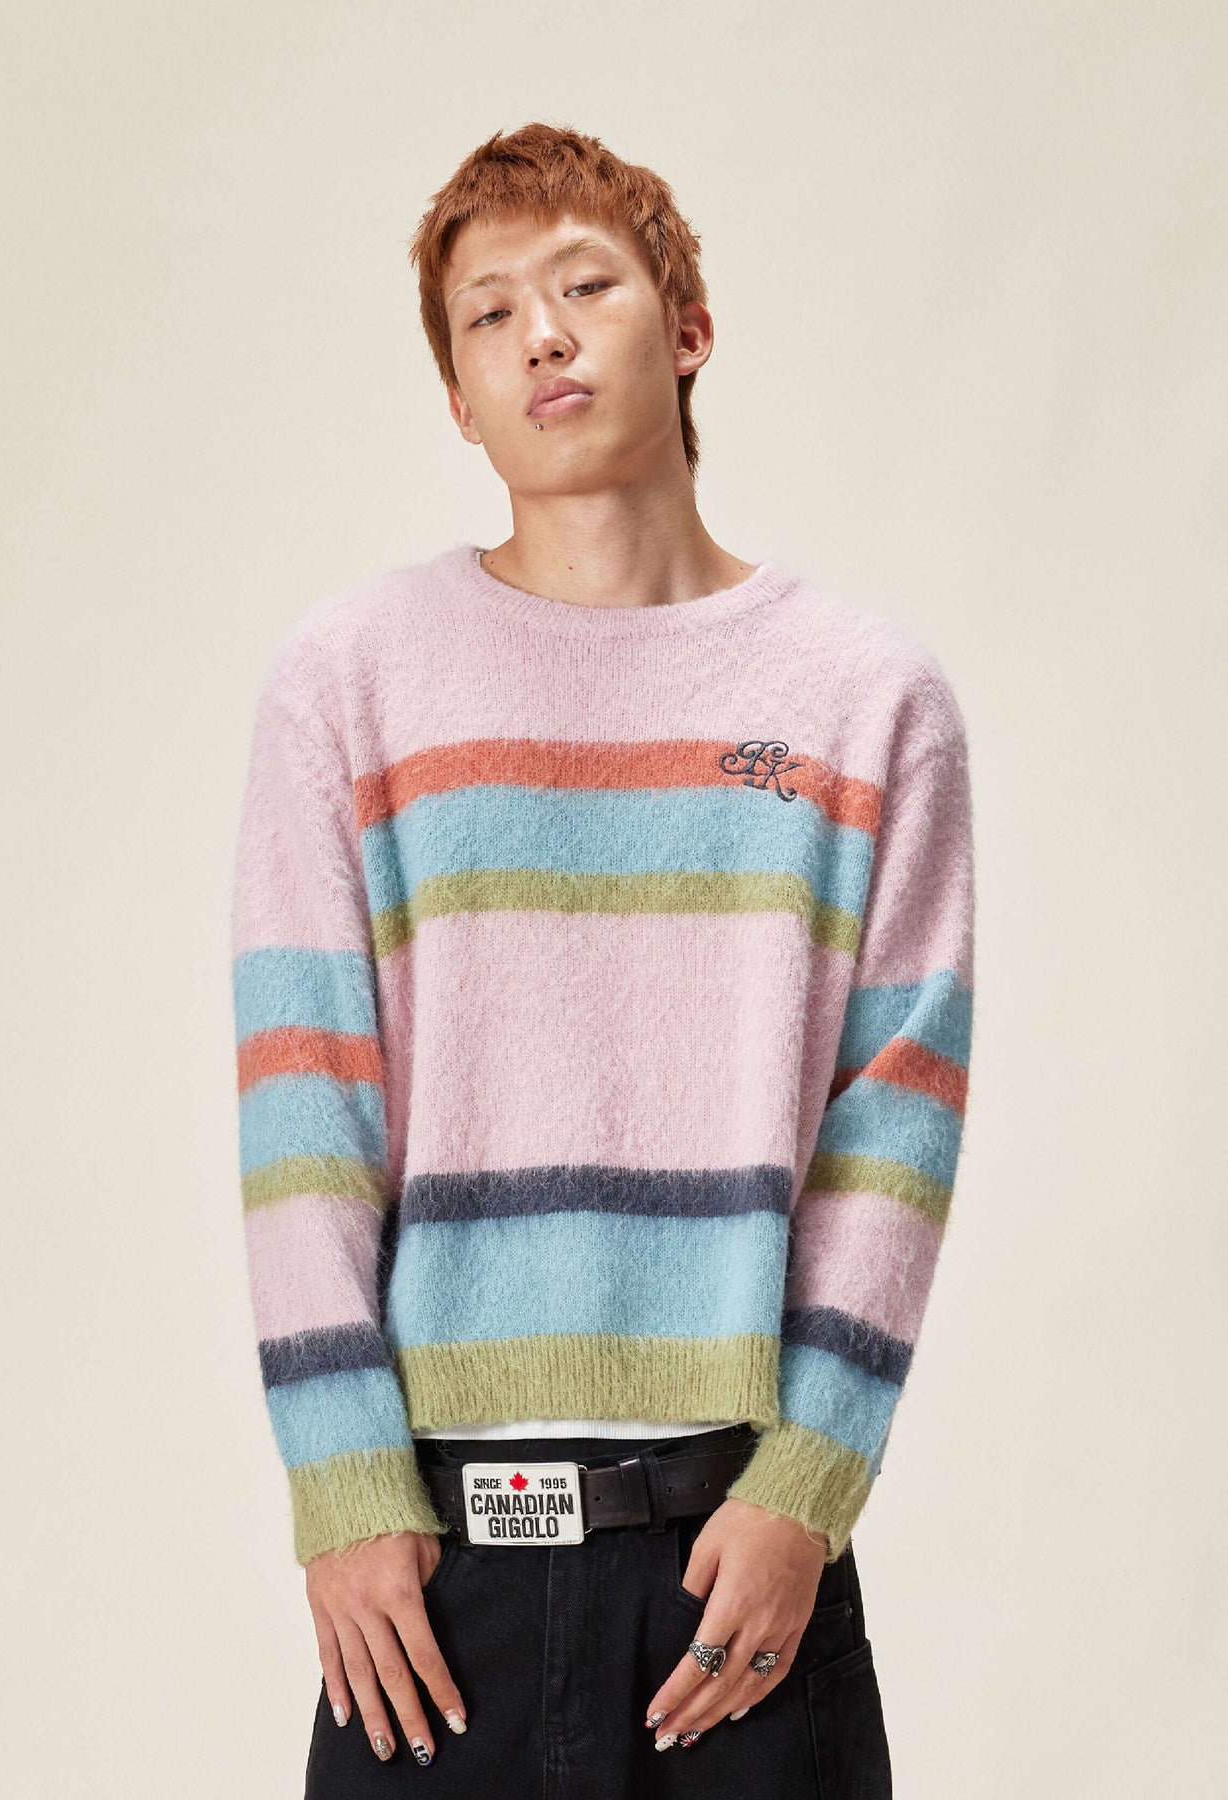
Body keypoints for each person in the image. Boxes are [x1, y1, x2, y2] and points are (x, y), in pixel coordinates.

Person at [230, 121, 974, 1797]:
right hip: (434, 1582)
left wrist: (807, 1488)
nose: (541, 336)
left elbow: (897, 1116)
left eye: (584, 286)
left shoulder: (864, 699)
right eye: (488, 315)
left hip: (737, 1563)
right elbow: (302, 1103)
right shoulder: (350, 681)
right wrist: (339, 1489)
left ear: (687, 326)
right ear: (457, 397)